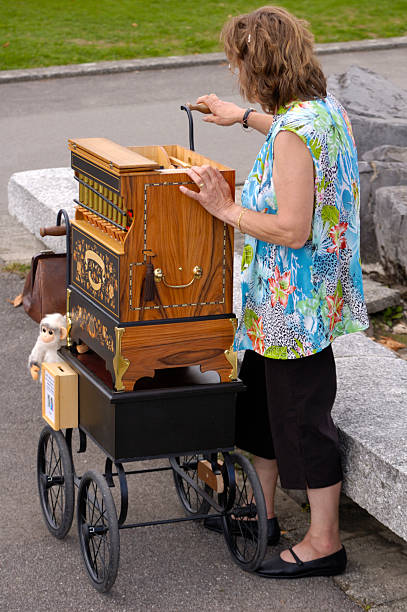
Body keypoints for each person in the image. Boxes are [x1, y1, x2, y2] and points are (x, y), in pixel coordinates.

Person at [179, 5, 368, 579]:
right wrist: (242, 119)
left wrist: (225, 208)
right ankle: (259, 514)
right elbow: (290, 134)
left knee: (302, 423)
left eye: (240, 64)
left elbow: (292, 228)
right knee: (260, 407)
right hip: (287, 305)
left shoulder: (294, 134)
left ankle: (324, 543)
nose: (237, 73)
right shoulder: (322, 111)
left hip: (295, 311)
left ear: (257, 67)